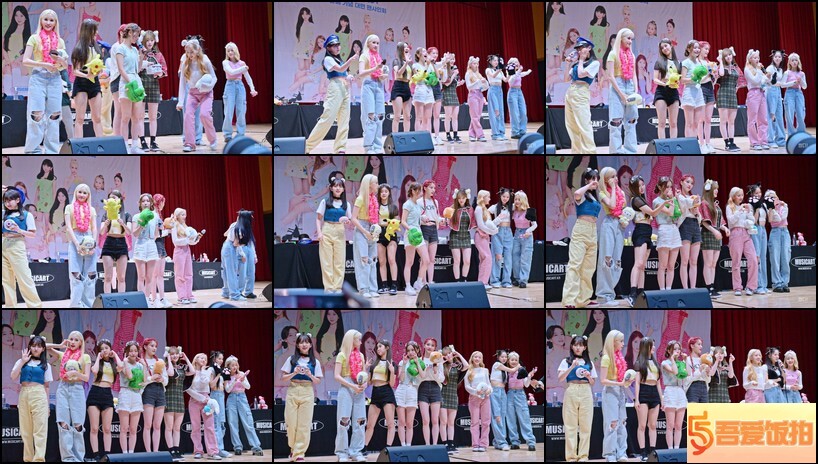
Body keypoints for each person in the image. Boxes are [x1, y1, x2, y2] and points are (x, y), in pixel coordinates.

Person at [304, 35, 358, 154]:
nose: (337, 47)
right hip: (335, 88)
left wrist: (349, 76)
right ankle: (307, 147)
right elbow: (340, 69)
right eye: (334, 45)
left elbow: (343, 73)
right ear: (328, 48)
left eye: (338, 45)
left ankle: (340, 148)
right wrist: (351, 60)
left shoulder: (339, 60)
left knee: (344, 120)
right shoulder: (328, 59)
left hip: (345, 88)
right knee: (327, 118)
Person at [563, 38, 598, 153]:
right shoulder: (577, 64)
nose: (579, 51)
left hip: (581, 91)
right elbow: (566, 79)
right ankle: (576, 151)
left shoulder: (594, 63)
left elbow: (581, 74)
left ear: (589, 48)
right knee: (571, 125)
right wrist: (568, 63)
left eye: (581, 48)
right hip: (571, 91)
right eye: (577, 49)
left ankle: (590, 151)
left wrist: (581, 60)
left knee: (584, 124)